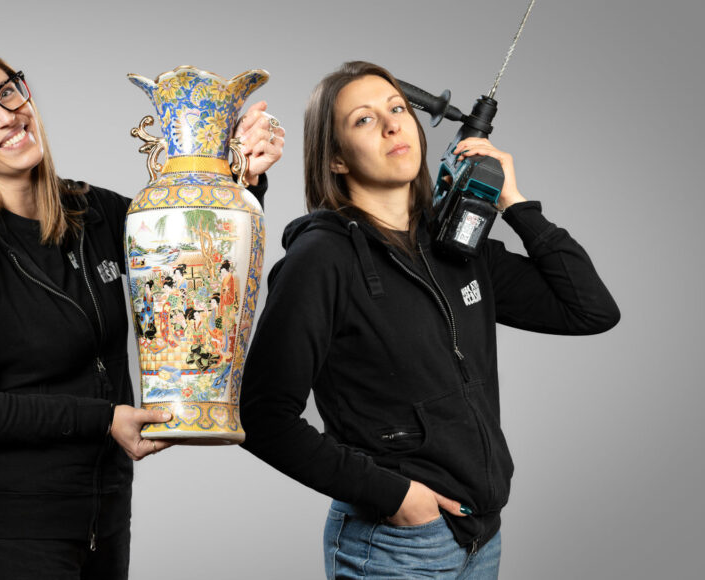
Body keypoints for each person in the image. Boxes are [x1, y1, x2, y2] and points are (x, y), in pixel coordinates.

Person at [0, 46, 282, 579]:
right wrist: (104, 419)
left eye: (8, 92)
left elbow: (199, 273)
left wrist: (240, 178)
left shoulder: (96, 211)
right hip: (12, 538)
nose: (6, 115)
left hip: (107, 523)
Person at [237, 61, 620, 579]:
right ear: (336, 159)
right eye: (364, 119)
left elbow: (590, 309)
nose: (392, 125)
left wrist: (513, 202)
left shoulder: (456, 244)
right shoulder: (321, 259)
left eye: (397, 109)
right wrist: (397, 497)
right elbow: (262, 417)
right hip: (397, 545)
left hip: (481, 538)